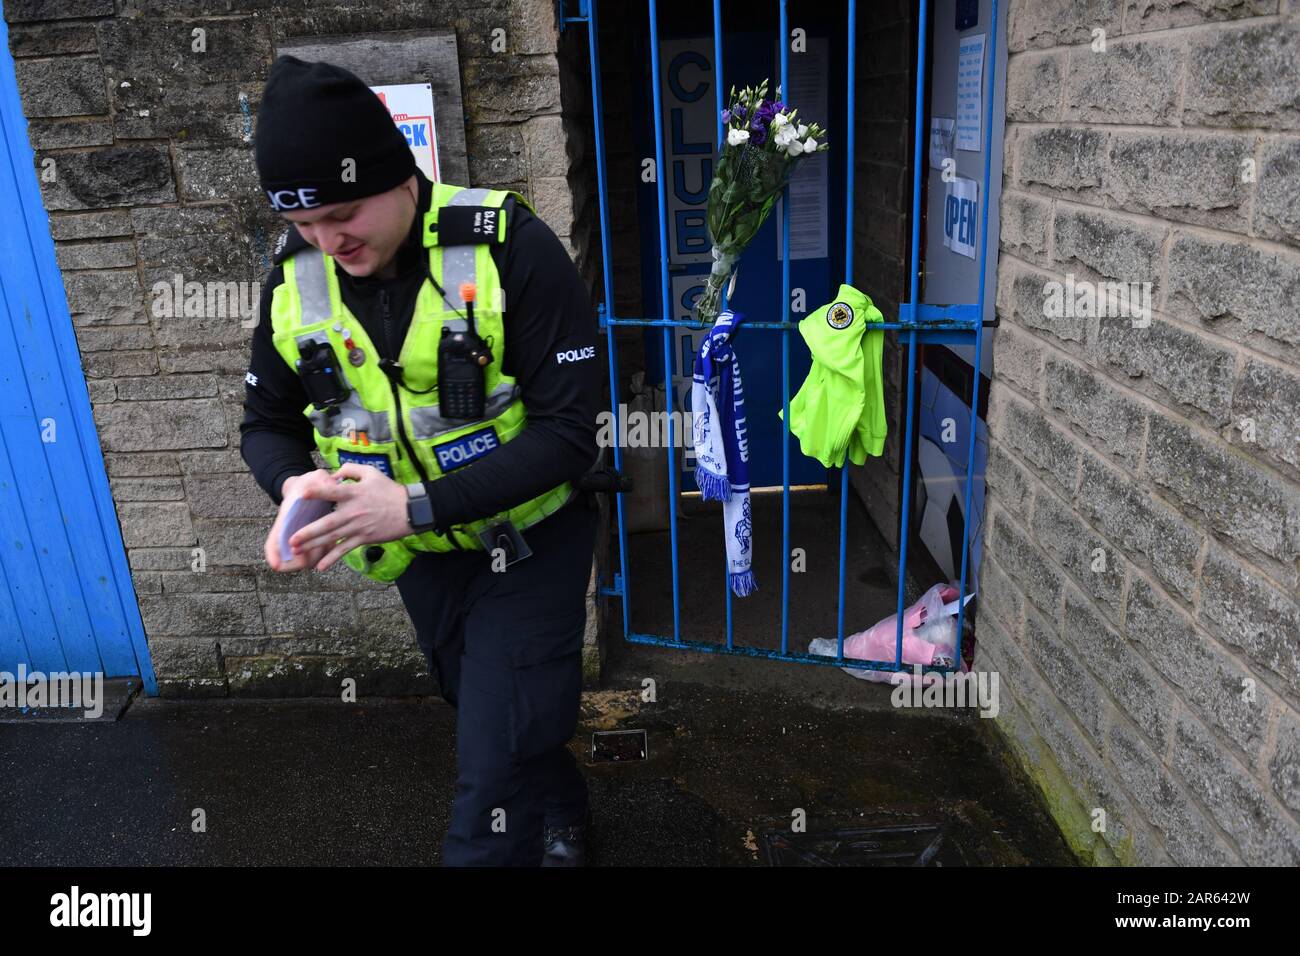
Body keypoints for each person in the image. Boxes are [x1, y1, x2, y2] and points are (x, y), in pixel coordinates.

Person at [240, 55, 602, 866]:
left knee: (492, 767)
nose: (327, 241)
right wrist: (290, 480)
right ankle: (563, 808)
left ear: (401, 176)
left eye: (343, 213)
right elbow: (264, 422)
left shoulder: (511, 246)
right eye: (302, 224)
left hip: (530, 541)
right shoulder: (296, 281)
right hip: (423, 561)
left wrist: (414, 504)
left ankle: (529, 824)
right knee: (486, 710)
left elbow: (569, 434)